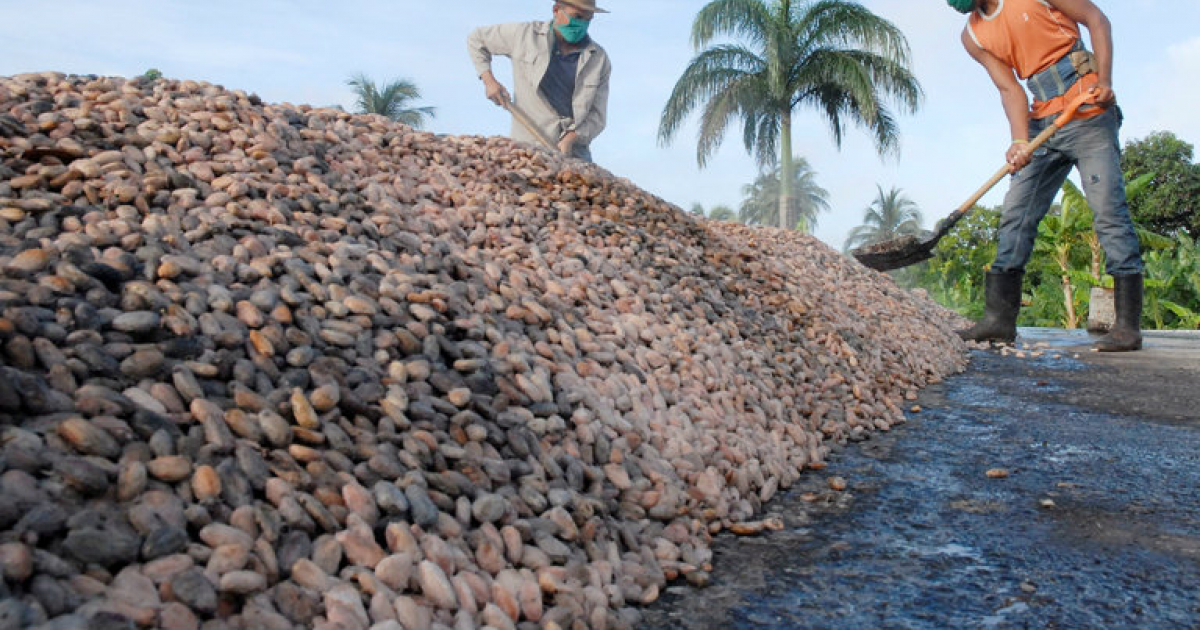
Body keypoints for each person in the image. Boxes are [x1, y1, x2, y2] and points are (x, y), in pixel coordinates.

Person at [949, 0, 1144, 352]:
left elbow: (1096, 19)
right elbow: (1010, 89)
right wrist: (1019, 140)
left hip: (1087, 112)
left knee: (1109, 214)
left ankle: (1128, 327)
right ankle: (999, 320)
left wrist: (1105, 80)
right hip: (1043, 122)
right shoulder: (973, 35)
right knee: (1015, 215)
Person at [467, 1, 611, 162]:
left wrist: (571, 138)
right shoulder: (525, 35)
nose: (581, 24)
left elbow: (597, 117)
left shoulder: (598, 59)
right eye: (576, 17)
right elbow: (477, 39)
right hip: (526, 148)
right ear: (556, 10)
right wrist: (489, 81)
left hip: (574, 154)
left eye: (587, 19)